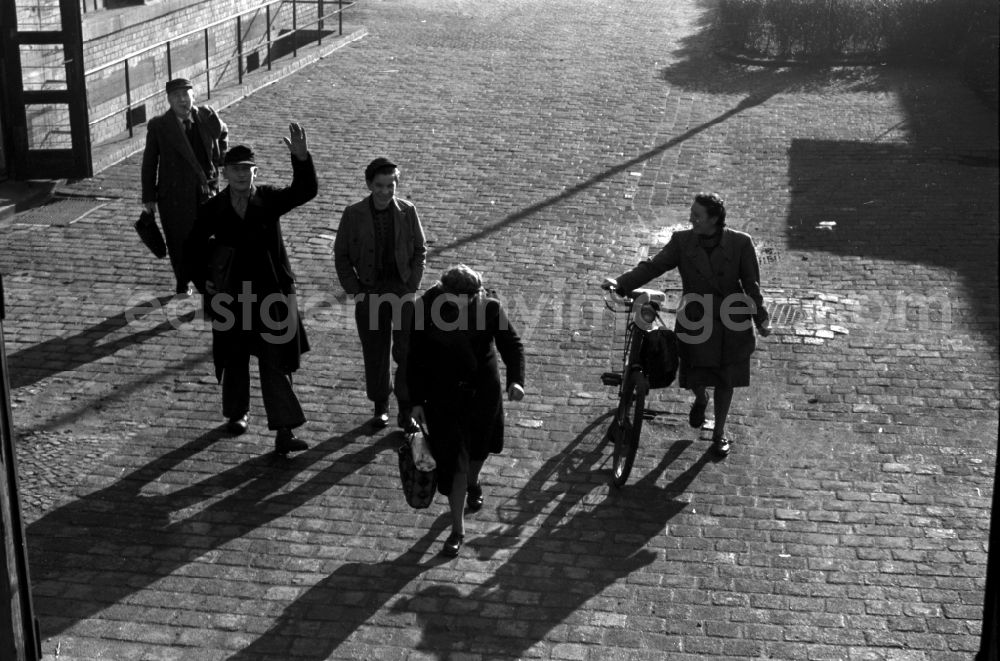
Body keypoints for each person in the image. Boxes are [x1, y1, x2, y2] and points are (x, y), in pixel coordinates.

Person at [604, 192, 771, 457]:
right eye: (692, 213)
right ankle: (701, 398)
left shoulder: (741, 243)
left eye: (697, 215)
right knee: (693, 372)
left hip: (731, 321)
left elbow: (752, 284)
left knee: (726, 379)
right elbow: (654, 265)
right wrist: (622, 282)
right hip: (697, 317)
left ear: (714, 219)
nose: (691, 219)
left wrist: (761, 318)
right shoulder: (683, 242)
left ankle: (719, 433)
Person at [185, 124, 316, 455]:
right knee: (234, 357)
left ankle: (284, 430)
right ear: (225, 173)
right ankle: (237, 412)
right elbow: (192, 248)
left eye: (248, 169)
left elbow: (304, 191)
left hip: (270, 294)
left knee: (275, 361)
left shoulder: (269, 199)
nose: (242, 175)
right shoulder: (213, 209)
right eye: (236, 170)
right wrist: (205, 282)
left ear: (255, 172)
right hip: (231, 295)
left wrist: (301, 158)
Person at [408, 265, 525, 557]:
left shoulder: (489, 308)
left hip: (483, 395)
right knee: (454, 463)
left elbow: (511, 345)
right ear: (445, 291)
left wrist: (516, 381)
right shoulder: (426, 307)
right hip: (444, 399)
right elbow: (416, 356)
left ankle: (474, 481)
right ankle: (457, 529)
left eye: (472, 296)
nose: (468, 302)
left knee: (479, 451)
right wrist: (416, 401)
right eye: (461, 297)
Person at [334, 157, 427, 431]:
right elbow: (341, 256)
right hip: (370, 293)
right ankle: (380, 405)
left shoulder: (407, 211)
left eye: (391, 186)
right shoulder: (353, 214)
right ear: (369, 185)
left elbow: (420, 250)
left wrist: (412, 286)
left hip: (402, 292)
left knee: (406, 351)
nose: (385, 192)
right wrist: (356, 291)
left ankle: (405, 409)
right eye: (379, 186)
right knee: (375, 352)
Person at [141, 77, 229, 296]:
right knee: (179, 240)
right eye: (176, 96)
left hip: (205, 191)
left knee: (211, 237)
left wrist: (222, 159)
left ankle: (209, 282)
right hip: (174, 196)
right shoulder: (160, 126)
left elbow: (223, 133)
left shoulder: (206, 116)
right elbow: (150, 163)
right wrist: (149, 197)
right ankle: (183, 280)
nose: (182, 100)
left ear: (193, 96)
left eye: (185, 95)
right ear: (169, 101)